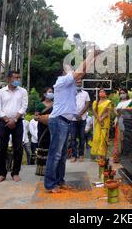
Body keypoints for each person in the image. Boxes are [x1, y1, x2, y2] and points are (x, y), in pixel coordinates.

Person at [44, 50, 99, 193]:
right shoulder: (61, 81)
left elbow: (82, 72)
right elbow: (79, 73)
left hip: (65, 122)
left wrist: (94, 59)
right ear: (64, 73)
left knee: (61, 155)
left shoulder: (71, 84)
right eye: (70, 70)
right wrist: (91, 54)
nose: (74, 72)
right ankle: (50, 185)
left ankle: (59, 181)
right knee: (55, 154)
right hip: (58, 121)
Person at [0, 71, 28, 183]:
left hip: (17, 122)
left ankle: (15, 172)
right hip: (4, 122)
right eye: (15, 77)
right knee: (2, 148)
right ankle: (2, 173)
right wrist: (7, 120)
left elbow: (24, 107)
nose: (18, 79)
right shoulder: (1, 92)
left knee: (18, 148)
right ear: (9, 78)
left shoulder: (23, 91)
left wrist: (15, 119)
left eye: (19, 77)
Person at [113, 88, 132, 162]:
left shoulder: (131, 101)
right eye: (121, 93)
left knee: (128, 138)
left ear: (126, 93)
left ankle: (130, 153)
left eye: (123, 93)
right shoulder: (119, 103)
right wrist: (116, 112)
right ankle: (121, 154)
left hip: (129, 122)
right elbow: (117, 114)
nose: (122, 94)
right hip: (120, 122)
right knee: (121, 139)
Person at [70, 83, 90, 163]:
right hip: (72, 119)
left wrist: (80, 114)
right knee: (73, 138)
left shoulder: (85, 93)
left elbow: (87, 104)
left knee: (82, 138)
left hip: (82, 118)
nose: (78, 84)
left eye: (79, 83)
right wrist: (75, 114)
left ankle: (81, 155)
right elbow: (69, 104)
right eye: (77, 83)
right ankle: (74, 155)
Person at [90, 89, 113, 160]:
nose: (101, 93)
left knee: (103, 138)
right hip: (97, 122)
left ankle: (103, 156)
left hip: (105, 122)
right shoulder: (95, 102)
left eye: (103, 92)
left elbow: (108, 112)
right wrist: (99, 119)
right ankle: (98, 156)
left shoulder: (108, 102)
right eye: (100, 92)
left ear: (106, 94)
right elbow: (94, 111)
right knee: (97, 138)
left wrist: (101, 119)